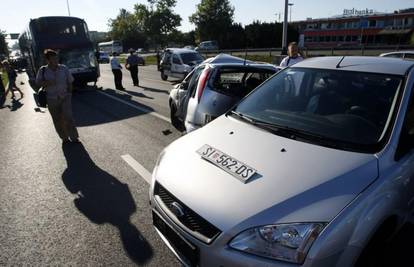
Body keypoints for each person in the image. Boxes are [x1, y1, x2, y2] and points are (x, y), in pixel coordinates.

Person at [36, 49, 80, 144]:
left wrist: (69, 94)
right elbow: (38, 82)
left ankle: (74, 137)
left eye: (56, 58)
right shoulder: (43, 70)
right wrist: (47, 82)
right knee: (57, 120)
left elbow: (70, 81)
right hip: (51, 99)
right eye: (53, 58)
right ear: (48, 60)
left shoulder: (64, 68)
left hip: (65, 97)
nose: (56, 60)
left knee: (69, 117)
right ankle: (64, 138)